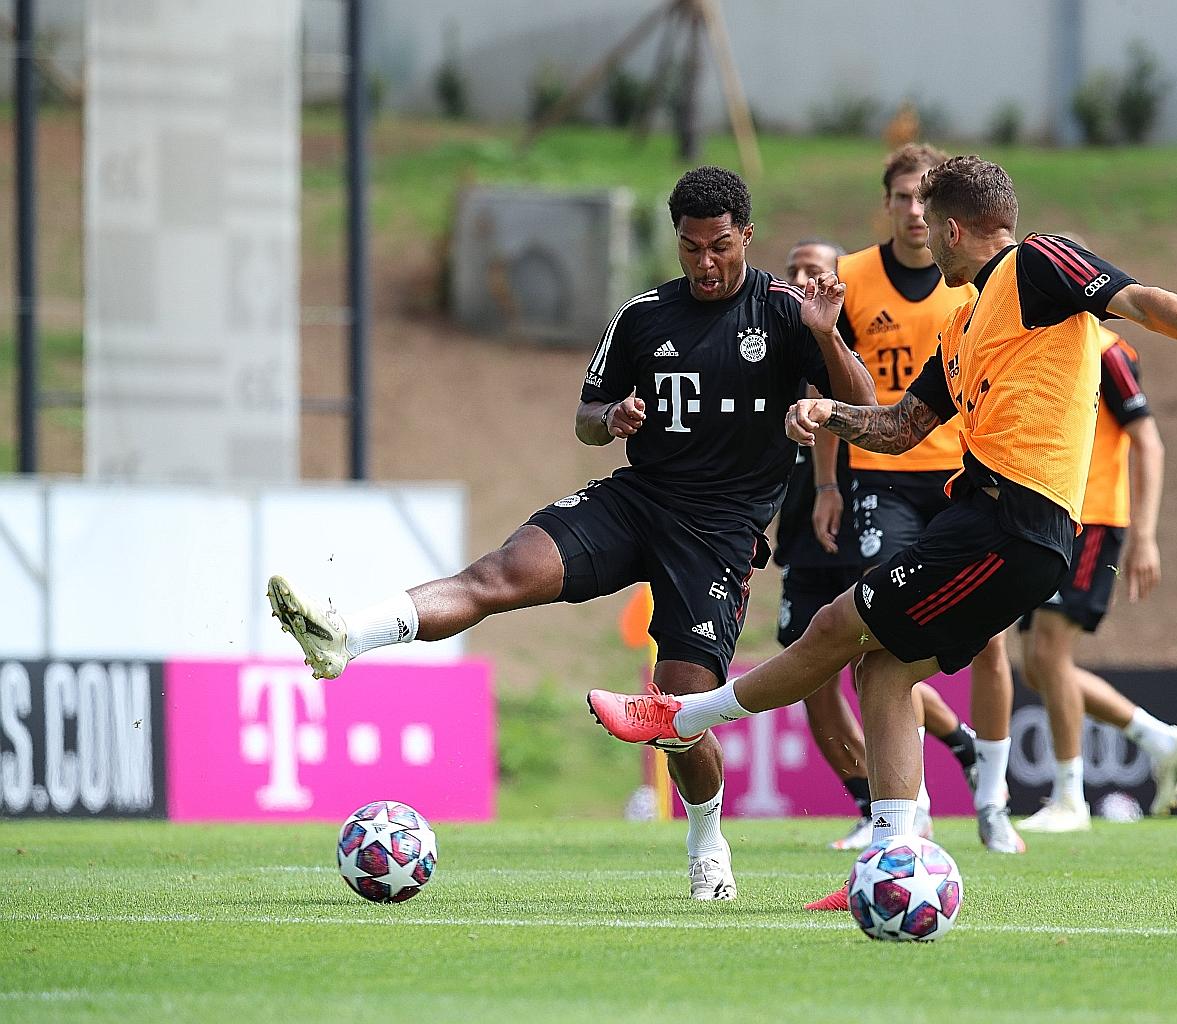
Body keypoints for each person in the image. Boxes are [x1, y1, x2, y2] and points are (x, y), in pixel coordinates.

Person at [589, 155, 1177, 902]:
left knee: (835, 626)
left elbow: (1137, 300)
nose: (920, 235)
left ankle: (679, 716)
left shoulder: (1036, 263)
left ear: (951, 229)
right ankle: (891, 860)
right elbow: (900, 428)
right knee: (883, 672)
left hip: (1012, 522)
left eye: (930, 223)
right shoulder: (964, 323)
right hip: (984, 520)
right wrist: (828, 412)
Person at [267, 167, 875, 900]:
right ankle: (345, 637)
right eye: (691, 248)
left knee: (676, 717)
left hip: (718, 534)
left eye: (719, 247)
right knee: (498, 574)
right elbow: (586, 419)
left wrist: (825, 337)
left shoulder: (785, 313)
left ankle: (706, 840)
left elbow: (863, 406)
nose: (706, 263)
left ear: (746, 235)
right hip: (638, 500)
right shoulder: (644, 316)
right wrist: (611, 417)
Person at [824, 143, 1022, 855]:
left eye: (923, 199)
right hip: (881, 478)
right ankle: (915, 808)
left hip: (964, 478)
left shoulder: (976, 280)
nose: (914, 211)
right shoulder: (850, 277)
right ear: (887, 203)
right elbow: (830, 385)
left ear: (947, 218)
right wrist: (826, 483)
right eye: (902, 197)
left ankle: (993, 798)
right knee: (886, 636)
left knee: (992, 642)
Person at [777, 238, 978, 853]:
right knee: (807, 668)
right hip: (801, 525)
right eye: (793, 269)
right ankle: (872, 801)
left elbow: (862, 411)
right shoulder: (773, 339)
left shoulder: (847, 339)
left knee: (876, 656)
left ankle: (921, 783)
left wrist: (831, 484)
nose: (803, 277)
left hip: (863, 506)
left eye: (815, 269)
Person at [1014, 325, 1177, 832]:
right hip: (1043, 515)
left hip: (1091, 518)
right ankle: (1160, 739)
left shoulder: (1109, 353)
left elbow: (1149, 443)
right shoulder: (1033, 342)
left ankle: (1069, 798)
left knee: (1049, 654)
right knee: (1035, 666)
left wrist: (1145, 535)